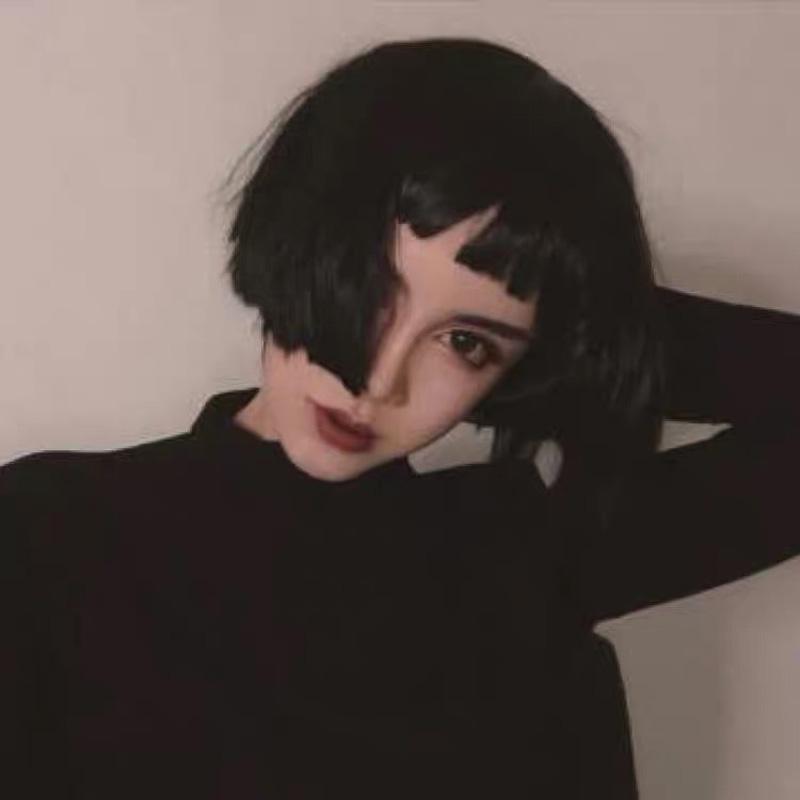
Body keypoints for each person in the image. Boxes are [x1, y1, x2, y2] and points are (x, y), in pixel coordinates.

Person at [1, 36, 798, 800]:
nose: (379, 381)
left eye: (465, 342)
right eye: (372, 284)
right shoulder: (45, 537)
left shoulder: (515, 562)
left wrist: (570, 325)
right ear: (293, 233)